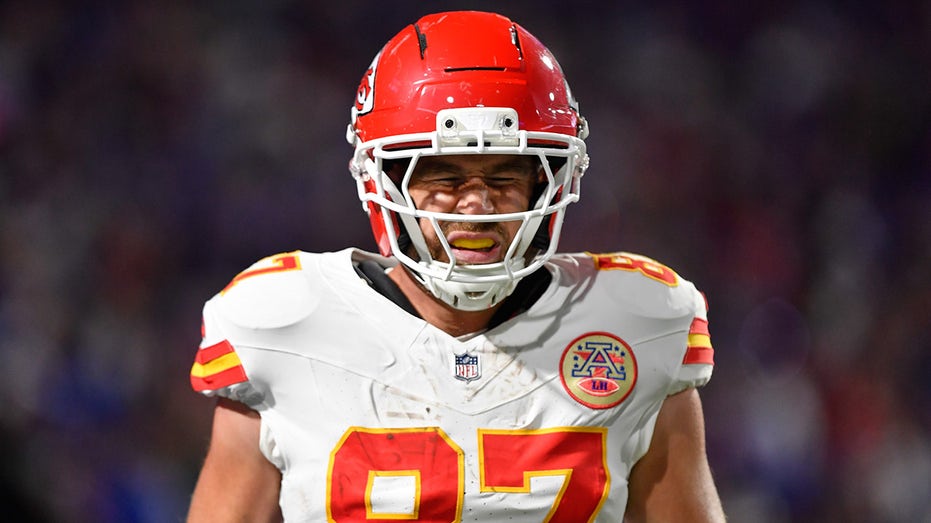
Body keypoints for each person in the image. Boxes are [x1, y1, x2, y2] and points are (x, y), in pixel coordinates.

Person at [186, 10, 726, 523]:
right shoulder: (285, 325)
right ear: (384, 182)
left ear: (548, 182)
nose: (476, 206)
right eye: (443, 177)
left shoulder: (636, 323)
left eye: (505, 176)